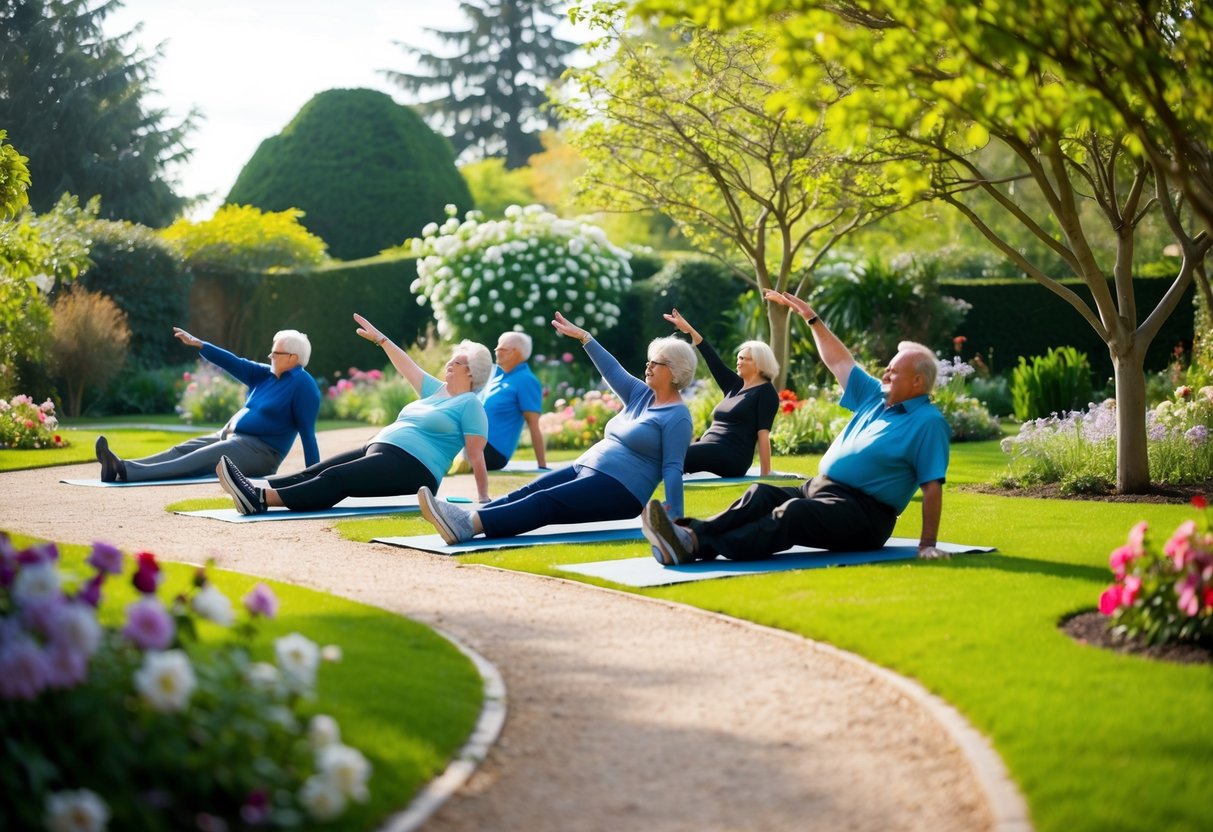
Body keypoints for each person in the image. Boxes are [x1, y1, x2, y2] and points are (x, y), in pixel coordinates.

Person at [642, 290, 950, 566]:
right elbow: (840, 361)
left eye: (894, 371)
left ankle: (694, 544)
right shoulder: (874, 396)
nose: (885, 373)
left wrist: (927, 545)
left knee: (792, 515)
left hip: (863, 514)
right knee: (760, 494)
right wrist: (811, 318)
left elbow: (932, 486)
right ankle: (686, 531)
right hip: (820, 487)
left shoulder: (927, 422)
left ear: (917, 382)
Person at [415, 311, 696, 544]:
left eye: (655, 363)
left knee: (545, 503)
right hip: (586, 467)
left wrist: (676, 521)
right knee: (527, 492)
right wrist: (585, 338)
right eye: (648, 361)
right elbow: (612, 370)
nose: (647, 367)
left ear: (675, 371)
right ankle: (473, 516)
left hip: (621, 490)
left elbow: (672, 469)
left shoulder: (677, 417)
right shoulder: (641, 395)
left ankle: (470, 524)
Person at [214, 313, 492, 514]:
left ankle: (260, 499)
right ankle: (253, 488)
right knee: (315, 471)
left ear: (472, 372)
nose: (449, 363)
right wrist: (381, 340)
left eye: (457, 361)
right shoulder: (436, 389)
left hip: (415, 467)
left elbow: (476, 455)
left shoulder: (470, 405)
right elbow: (407, 365)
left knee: (338, 477)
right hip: (382, 448)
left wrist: (483, 498)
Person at [94, 328, 321, 483]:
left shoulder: (303, 386)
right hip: (229, 437)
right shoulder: (266, 374)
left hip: (260, 453)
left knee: (197, 459)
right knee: (181, 450)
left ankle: (126, 472)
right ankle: (120, 466)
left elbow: (308, 436)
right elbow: (234, 362)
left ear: (293, 358)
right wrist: (200, 344)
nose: (270, 355)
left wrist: (314, 478)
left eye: (276, 352)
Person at [664, 308, 779, 477]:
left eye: (743, 359)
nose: (738, 362)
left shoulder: (766, 392)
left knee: (673, 456)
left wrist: (765, 473)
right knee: (668, 451)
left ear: (758, 363)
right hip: (710, 448)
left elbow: (763, 434)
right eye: (738, 358)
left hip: (732, 457)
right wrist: (689, 330)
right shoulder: (734, 385)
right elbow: (712, 358)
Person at [452, 330, 548, 472]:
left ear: (516, 352)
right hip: (476, 442)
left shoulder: (526, 380)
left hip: (492, 452)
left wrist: (542, 466)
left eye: (501, 348)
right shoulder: (494, 377)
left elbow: (533, 423)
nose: (496, 351)